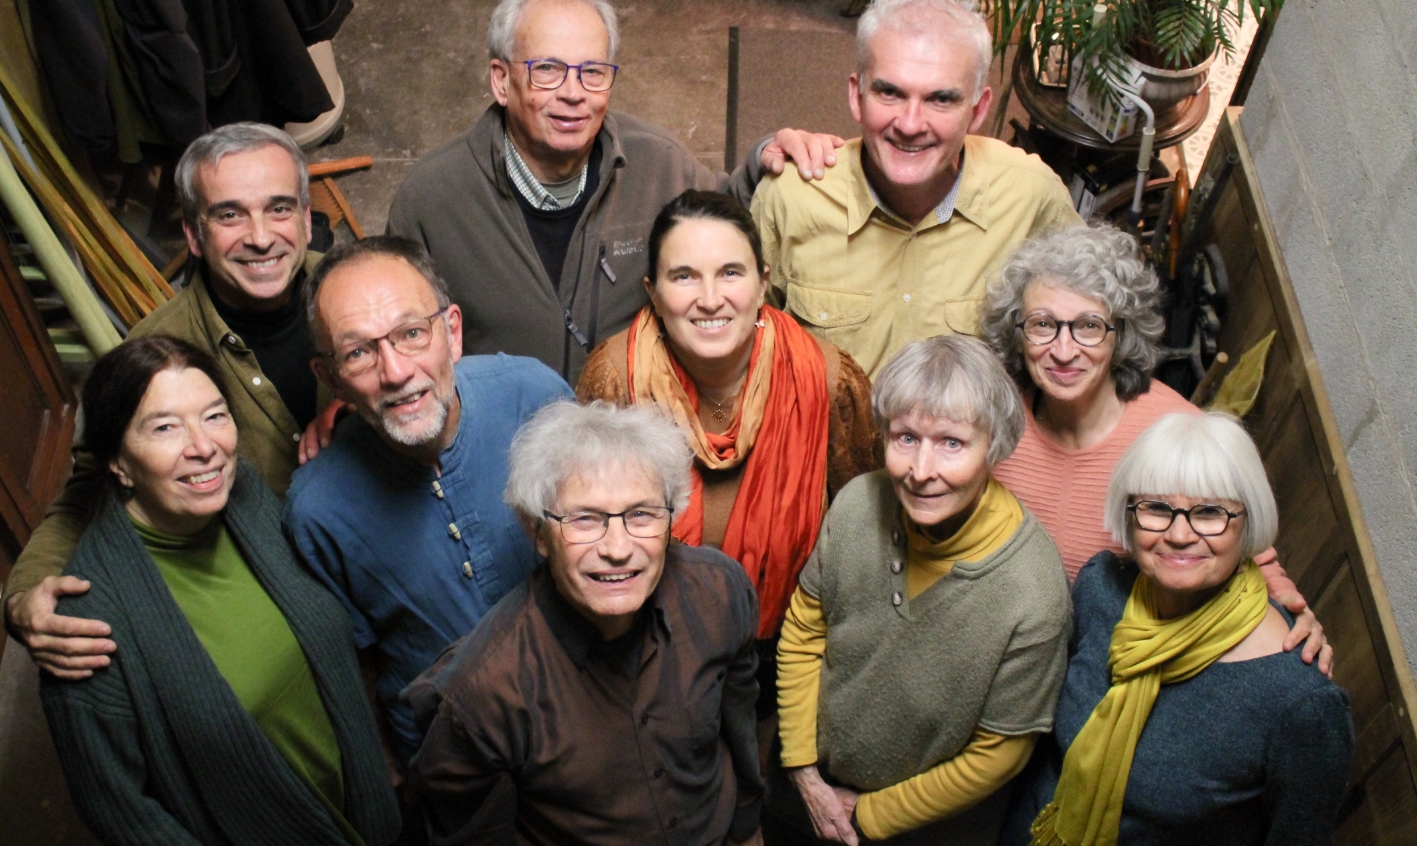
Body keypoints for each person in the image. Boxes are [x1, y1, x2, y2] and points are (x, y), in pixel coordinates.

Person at [386, 0, 843, 384]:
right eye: (547, 70)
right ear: (501, 81)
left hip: (625, 445)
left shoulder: (659, 165)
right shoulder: (431, 199)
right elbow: (390, 327)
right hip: (501, 447)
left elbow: (724, 212)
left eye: (592, 72)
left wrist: (770, 157)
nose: (573, 93)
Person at [39, 335, 401, 846]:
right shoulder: (85, 624)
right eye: (165, 427)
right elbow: (120, 810)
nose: (204, 447)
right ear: (117, 461)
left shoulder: (247, 498)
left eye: (214, 416)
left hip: (368, 813)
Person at [5, 122, 327, 680]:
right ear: (194, 235)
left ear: (304, 218)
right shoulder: (156, 355)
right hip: (279, 601)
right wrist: (25, 595)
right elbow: (87, 491)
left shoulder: (363, 293)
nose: (259, 236)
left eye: (278, 209)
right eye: (229, 215)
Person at [575, 189, 881, 738]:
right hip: (643, 662)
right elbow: (586, 533)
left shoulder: (827, 381)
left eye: (731, 273)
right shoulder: (614, 379)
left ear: (764, 283)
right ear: (653, 291)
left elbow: (868, 542)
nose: (710, 298)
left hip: (789, 668)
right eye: (685, 276)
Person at [406, 400, 764, 846]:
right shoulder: (483, 692)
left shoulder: (719, 591)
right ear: (537, 532)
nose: (618, 547)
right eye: (585, 519)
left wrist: (747, 830)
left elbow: (741, 726)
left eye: (641, 514)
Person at [981, 224, 1332, 671]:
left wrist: (1290, 610)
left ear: (1121, 334)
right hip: (1009, 658)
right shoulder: (992, 415)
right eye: (1043, 325)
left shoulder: (1175, 429)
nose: (1063, 350)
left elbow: (1238, 545)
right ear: (1018, 331)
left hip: (1116, 664)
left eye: (1089, 326)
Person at [284, 236, 572, 765]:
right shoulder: (316, 509)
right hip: (448, 757)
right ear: (330, 379)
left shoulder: (535, 397)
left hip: (576, 719)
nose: (395, 372)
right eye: (358, 352)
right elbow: (356, 659)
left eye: (412, 334)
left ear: (453, 332)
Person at [774, 336, 1071, 845]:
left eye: (951, 443)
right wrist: (802, 770)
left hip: (928, 832)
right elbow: (804, 632)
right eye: (906, 437)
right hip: (808, 793)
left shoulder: (1032, 592)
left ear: (993, 447)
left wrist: (869, 815)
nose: (920, 470)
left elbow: (998, 754)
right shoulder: (855, 506)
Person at [1007, 412, 1353, 846]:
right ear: (1129, 514)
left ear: (1249, 521)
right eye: (1156, 508)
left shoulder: (1300, 701)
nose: (1179, 534)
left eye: (1209, 512)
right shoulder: (1101, 590)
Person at [751, 0, 1080, 380]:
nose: (909, 124)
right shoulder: (793, 196)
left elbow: (1087, 334)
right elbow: (736, 349)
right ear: (856, 96)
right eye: (889, 92)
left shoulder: (1031, 198)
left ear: (978, 110)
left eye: (940, 99)